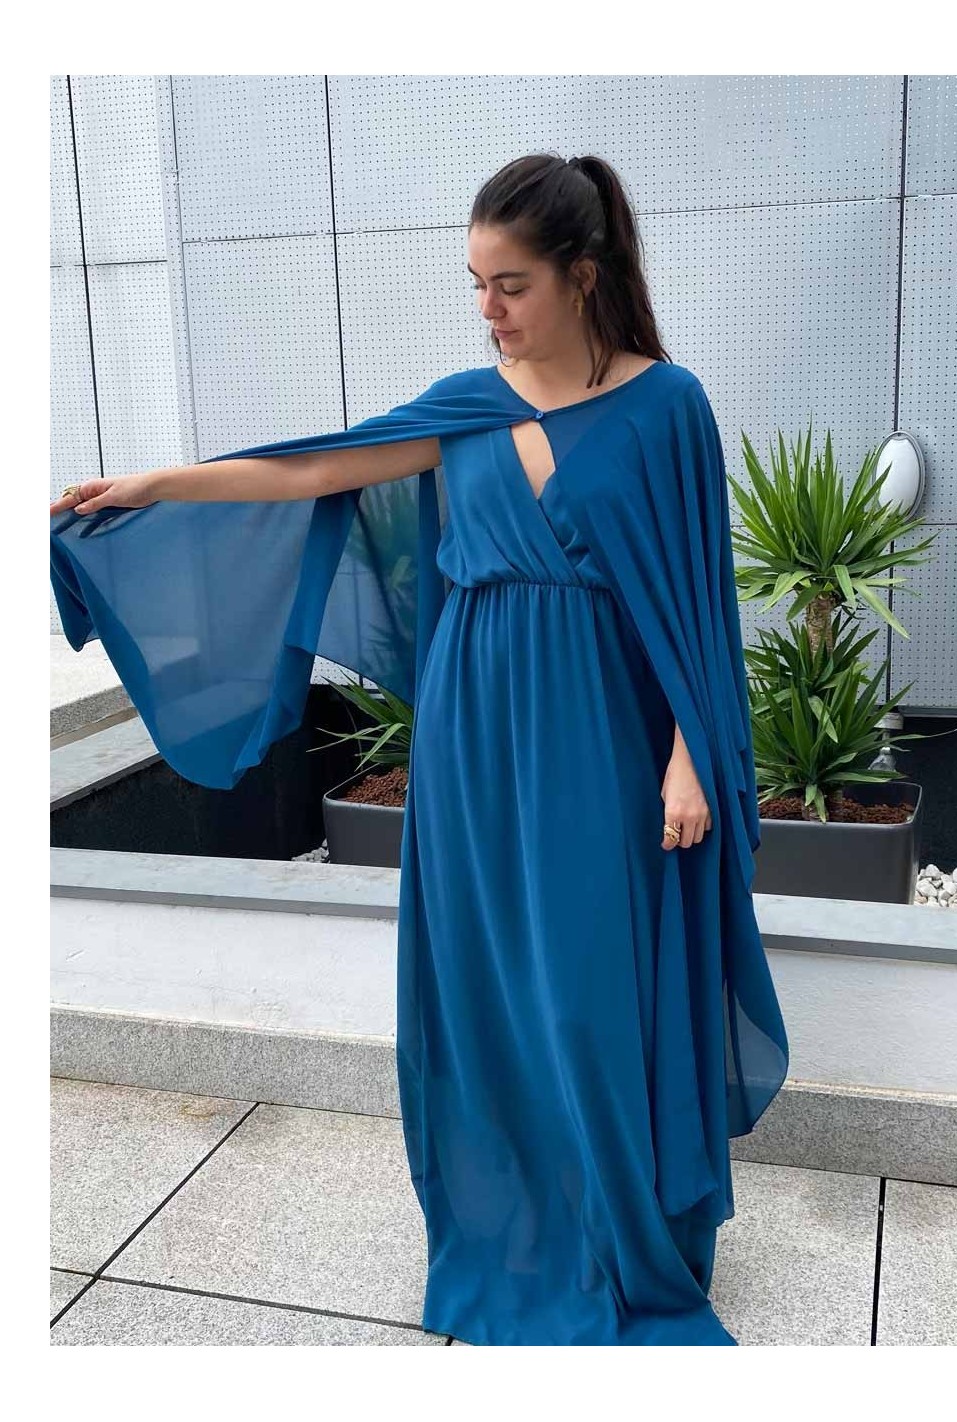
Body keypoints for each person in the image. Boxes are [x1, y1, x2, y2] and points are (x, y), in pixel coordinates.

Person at [50, 153, 789, 1346]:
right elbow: (312, 465)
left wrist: (690, 758)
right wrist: (151, 481)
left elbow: (697, 604)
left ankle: (620, 1234)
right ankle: (514, 1228)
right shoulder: (465, 407)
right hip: (473, 736)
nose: (488, 309)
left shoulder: (667, 408)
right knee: (487, 992)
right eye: (475, 284)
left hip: (603, 738)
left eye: (511, 285)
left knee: (590, 993)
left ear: (581, 275)